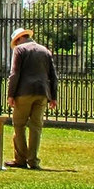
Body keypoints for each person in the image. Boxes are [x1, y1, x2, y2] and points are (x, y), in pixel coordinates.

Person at [6, 27, 58, 169]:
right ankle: (33, 160)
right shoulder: (45, 50)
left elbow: (14, 73)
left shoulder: (20, 50)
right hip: (42, 92)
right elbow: (53, 75)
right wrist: (53, 96)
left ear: (18, 39)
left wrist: (11, 94)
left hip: (24, 92)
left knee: (19, 125)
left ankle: (21, 159)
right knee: (36, 127)